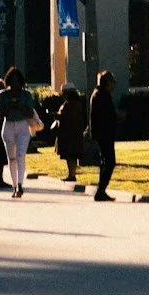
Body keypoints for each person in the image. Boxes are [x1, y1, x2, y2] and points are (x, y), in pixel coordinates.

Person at [0, 66, 42, 199]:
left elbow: (29, 113)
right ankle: (14, 185)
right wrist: (10, 106)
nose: (15, 84)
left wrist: (19, 106)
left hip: (23, 125)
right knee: (12, 158)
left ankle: (20, 184)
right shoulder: (3, 95)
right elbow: (0, 114)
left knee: (21, 155)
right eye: (12, 81)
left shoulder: (26, 95)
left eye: (17, 81)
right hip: (8, 125)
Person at [89, 70, 118, 201]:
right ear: (107, 82)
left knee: (105, 161)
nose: (114, 85)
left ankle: (101, 190)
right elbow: (107, 115)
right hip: (104, 133)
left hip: (102, 133)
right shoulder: (102, 95)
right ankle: (101, 189)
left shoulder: (99, 94)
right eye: (112, 82)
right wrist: (118, 116)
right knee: (110, 162)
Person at [52, 84, 87, 187]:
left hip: (71, 135)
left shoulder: (73, 104)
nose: (63, 95)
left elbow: (69, 117)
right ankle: (71, 174)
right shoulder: (72, 103)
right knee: (70, 156)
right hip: (70, 134)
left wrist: (57, 116)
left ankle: (72, 175)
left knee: (71, 155)